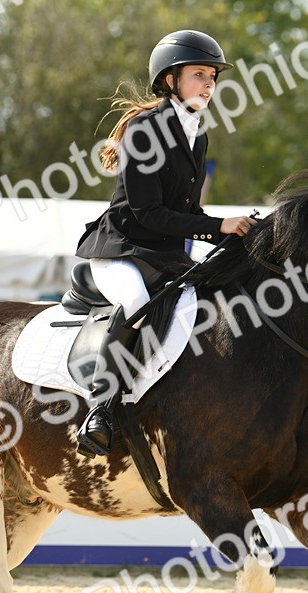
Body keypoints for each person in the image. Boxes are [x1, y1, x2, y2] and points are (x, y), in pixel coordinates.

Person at [72, 30, 254, 456]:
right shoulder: (145, 129)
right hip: (120, 249)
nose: (209, 84)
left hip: (166, 255)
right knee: (136, 301)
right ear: (170, 79)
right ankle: (101, 407)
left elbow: (186, 211)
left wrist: (231, 229)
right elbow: (147, 213)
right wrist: (217, 226)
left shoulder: (198, 134)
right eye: (199, 75)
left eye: (212, 76)